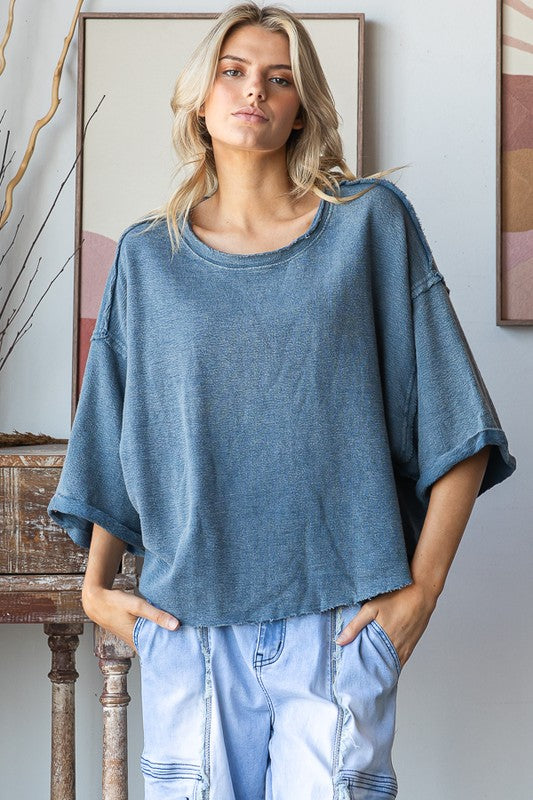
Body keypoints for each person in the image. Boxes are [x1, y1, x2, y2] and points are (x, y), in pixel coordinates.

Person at [47, 3, 516, 799]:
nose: (253, 91)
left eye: (279, 78)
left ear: (301, 108)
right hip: (187, 627)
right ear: (200, 98)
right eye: (232, 72)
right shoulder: (147, 258)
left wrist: (421, 594)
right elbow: (109, 435)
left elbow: (459, 426)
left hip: (339, 627)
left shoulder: (368, 226)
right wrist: (95, 591)